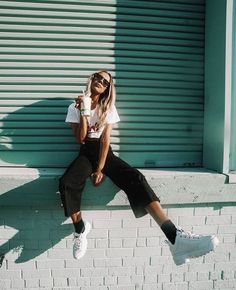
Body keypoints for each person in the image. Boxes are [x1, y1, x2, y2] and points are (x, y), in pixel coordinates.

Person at [59, 70, 219, 265]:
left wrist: (100, 169)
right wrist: (83, 111)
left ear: (108, 89)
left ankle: (175, 237)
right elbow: (81, 139)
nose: (100, 81)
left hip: (104, 152)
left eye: (105, 81)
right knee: (67, 183)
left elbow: (106, 140)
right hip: (85, 153)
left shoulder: (108, 107)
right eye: (98, 77)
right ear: (91, 79)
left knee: (135, 178)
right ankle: (80, 229)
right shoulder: (73, 107)